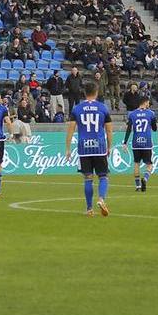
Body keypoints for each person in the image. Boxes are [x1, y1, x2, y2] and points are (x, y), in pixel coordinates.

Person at [65, 82, 112, 217]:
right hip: (99, 147)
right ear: (96, 92)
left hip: (84, 147)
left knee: (88, 178)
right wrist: (109, 146)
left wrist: (68, 148)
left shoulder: (77, 109)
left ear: (84, 93)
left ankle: (89, 208)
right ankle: (101, 199)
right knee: (103, 176)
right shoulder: (103, 108)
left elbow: (71, 129)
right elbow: (109, 130)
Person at [123, 97, 157, 192]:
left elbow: (129, 129)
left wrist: (125, 143)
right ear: (145, 103)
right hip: (146, 142)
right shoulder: (151, 113)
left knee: (136, 164)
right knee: (149, 165)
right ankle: (145, 179)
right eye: (148, 103)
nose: (148, 104)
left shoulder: (132, 114)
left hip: (136, 142)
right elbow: (154, 128)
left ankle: (138, 186)